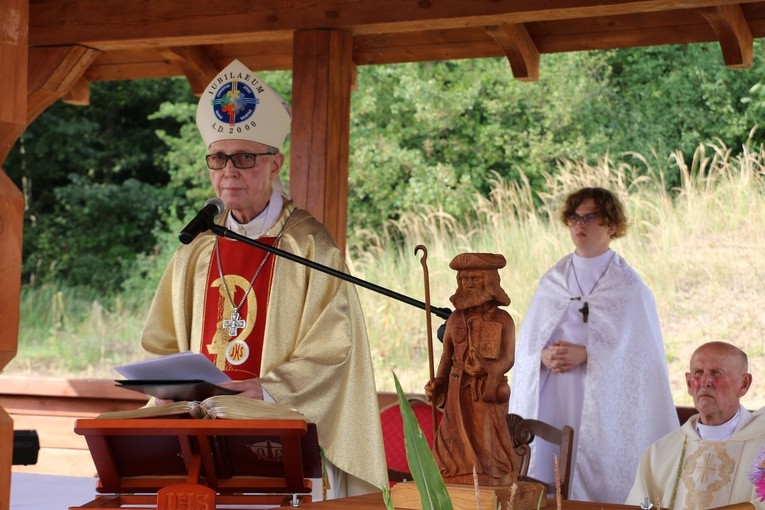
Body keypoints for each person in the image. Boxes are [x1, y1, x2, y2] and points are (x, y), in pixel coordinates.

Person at [140, 59, 387, 499]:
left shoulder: (309, 246)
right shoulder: (196, 249)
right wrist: (164, 391)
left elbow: (336, 348)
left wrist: (269, 390)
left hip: (276, 438)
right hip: (201, 438)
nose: (229, 171)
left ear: (276, 164)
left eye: (245, 158)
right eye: (219, 157)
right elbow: (161, 343)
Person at [509, 187, 678, 503]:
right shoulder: (553, 281)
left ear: (612, 225)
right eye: (574, 217)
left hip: (601, 397)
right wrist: (541, 356)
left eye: (589, 217)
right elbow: (528, 343)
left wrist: (587, 354)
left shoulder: (629, 287)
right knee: (547, 477)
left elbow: (640, 356)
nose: (579, 225)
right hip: (553, 392)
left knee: (592, 469)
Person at [626, 341, 765, 509]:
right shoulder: (659, 454)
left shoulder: (761, 447)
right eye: (698, 373)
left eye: (717, 373)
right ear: (689, 383)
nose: (706, 381)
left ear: (744, 384)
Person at [425, 253, 518, 486]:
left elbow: (508, 358)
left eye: (474, 279)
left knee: (485, 436)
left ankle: (490, 472)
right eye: (463, 279)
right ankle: (452, 470)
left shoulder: (502, 319)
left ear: (489, 281)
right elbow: (447, 356)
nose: (467, 284)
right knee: (451, 434)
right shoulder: (455, 319)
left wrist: (488, 368)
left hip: (483, 391)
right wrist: (438, 381)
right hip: (456, 387)